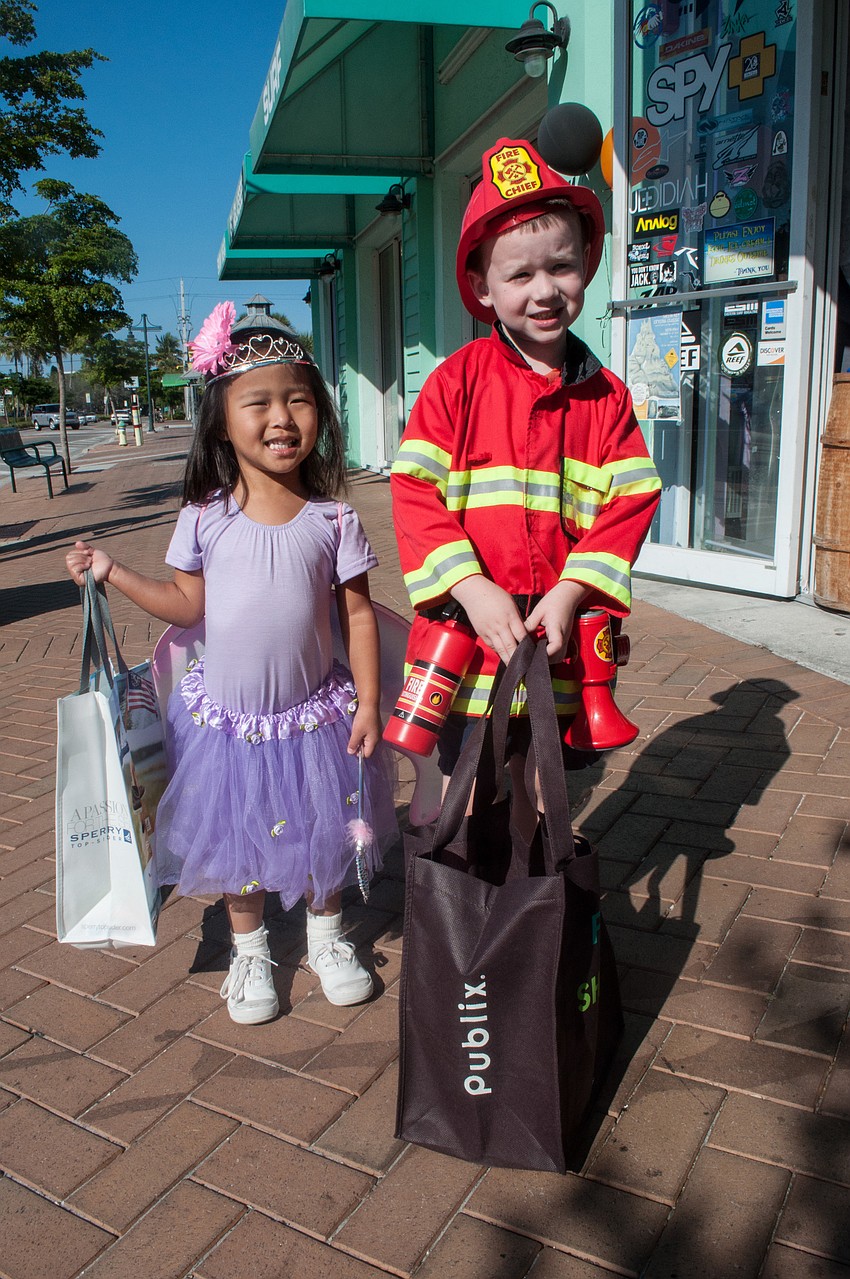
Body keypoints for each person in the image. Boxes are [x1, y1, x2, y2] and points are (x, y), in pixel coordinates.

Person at [66, 302, 397, 1025]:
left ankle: (327, 935)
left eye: (298, 400)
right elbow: (187, 605)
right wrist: (113, 572)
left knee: (322, 830)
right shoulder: (203, 515)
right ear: (220, 420)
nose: (282, 417)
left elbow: (360, 616)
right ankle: (250, 952)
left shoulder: (333, 519)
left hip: (317, 716)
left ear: (319, 415)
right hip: (229, 725)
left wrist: (370, 701)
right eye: (260, 402)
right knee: (240, 834)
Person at [390, 138, 662, 830]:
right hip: (471, 642)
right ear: (482, 288)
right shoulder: (455, 383)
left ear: (586, 267)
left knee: (547, 788)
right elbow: (414, 489)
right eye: (519, 276)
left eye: (562, 266)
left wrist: (572, 591)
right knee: (474, 785)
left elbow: (633, 496)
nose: (544, 290)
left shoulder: (606, 396)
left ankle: (543, 916)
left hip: (558, 640)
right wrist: (472, 588)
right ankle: (477, 915)